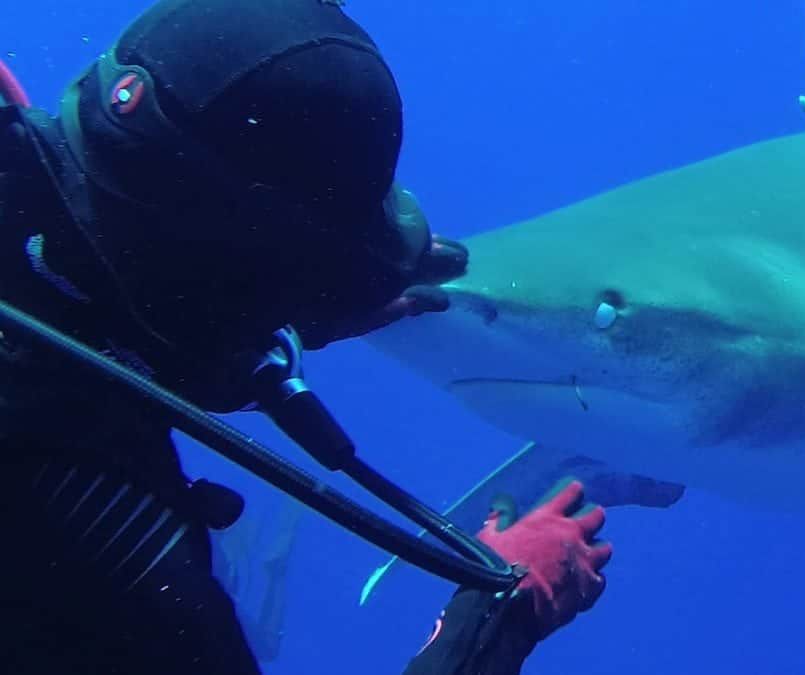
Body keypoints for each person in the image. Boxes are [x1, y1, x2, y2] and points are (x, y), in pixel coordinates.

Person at [0, 1, 613, 673]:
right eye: (291, 292)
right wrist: (501, 619)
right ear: (224, 288)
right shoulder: (111, 544)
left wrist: (272, 314)